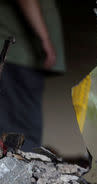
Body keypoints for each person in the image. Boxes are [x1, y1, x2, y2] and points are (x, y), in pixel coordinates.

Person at [0, 0, 65, 151]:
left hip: (22, 56)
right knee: (20, 138)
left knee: (19, 136)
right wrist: (45, 40)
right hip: (17, 56)